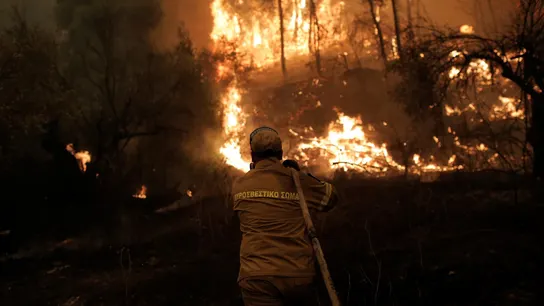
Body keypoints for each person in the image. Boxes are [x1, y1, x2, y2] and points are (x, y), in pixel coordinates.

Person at [232, 126, 339, 306]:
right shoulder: (297, 180)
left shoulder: (239, 184)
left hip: (257, 277)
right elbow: (331, 198)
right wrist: (302, 175)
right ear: (281, 153)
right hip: (297, 275)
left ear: (252, 155)